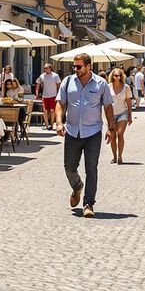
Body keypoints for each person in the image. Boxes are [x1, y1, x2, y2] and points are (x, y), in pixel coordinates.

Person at [55, 52, 116, 218]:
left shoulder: (101, 83)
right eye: (74, 66)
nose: (75, 69)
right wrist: (59, 122)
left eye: (79, 66)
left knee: (91, 168)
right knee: (69, 167)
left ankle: (89, 204)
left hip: (93, 131)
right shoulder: (68, 82)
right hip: (72, 131)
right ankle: (77, 186)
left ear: (89, 66)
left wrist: (111, 128)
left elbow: (108, 107)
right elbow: (60, 104)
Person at [107, 68, 133, 164]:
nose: (117, 77)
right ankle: (114, 156)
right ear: (112, 76)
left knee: (120, 133)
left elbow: (129, 102)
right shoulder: (108, 87)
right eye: (115, 75)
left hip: (123, 112)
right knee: (113, 136)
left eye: (119, 75)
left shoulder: (126, 87)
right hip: (111, 114)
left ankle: (120, 156)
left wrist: (130, 115)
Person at [36, 63, 62, 129]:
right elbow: (38, 84)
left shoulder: (55, 76)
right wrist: (37, 93)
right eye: (44, 68)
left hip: (53, 95)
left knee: (52, 110)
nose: (45, 69)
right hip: (45, 96)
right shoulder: (42, 76)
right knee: (45, 111)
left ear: (50, 68)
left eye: (46, 68)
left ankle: (52, 125)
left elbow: (59, 85)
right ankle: (47, 126)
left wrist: (59, 94)